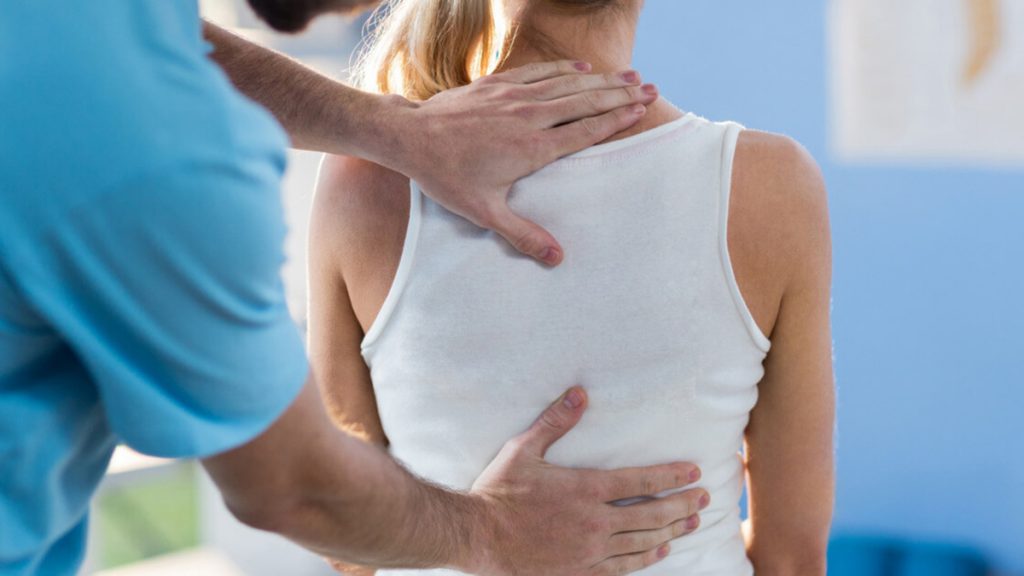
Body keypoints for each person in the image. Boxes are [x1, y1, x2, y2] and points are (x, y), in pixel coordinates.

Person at [0, 0, 711, 574]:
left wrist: (385, 130)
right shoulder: (164, 154)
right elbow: (293, 487)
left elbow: (129, 40)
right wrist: (491, 533)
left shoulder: (94, 47)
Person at [309, 0, 836, 574]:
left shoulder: (363, 184)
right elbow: (792, 560)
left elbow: (337, 532)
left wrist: (467, 531)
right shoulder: (772, 186)